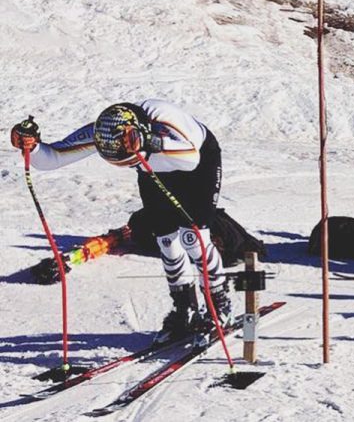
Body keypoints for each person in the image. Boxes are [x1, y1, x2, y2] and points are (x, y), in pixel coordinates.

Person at [10, 100, 230, 345]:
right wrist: (33, 147)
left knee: (194, 239)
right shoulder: (106, 132)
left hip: (197, 164)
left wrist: (153, 143)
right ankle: (183, 309)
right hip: (150, 167)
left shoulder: (162, 118)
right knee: (166, 241)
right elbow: (53, 159)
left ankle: (218, 305)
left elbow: (190, 159)